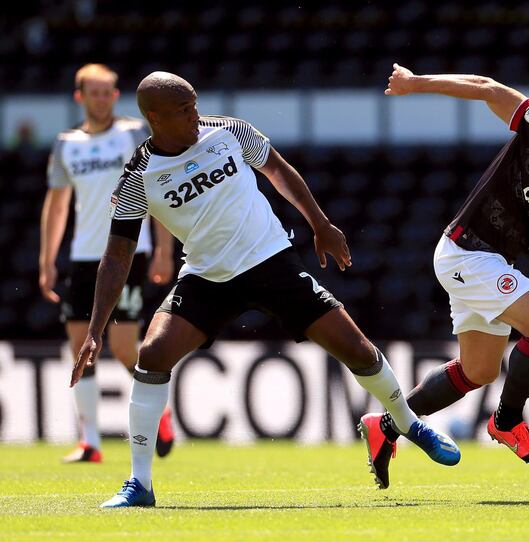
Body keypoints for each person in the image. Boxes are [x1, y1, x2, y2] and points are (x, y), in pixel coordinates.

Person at [69, 71, 460, 508]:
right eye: (183, 111)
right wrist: (95, 329)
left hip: (270, 261)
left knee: (358, 349)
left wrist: (320, 223)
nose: (194, 116)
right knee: (153, 354)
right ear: (155, 118)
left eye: (194, 104)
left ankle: (406, 422)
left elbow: (277, 169)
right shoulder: (139, 176)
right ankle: (139, 483)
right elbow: (118, 255)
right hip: (207, 277)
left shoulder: (228, 132)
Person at [359, 63, 529, 489]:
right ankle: (507, 422)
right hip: (467, 252)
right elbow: (488, 88)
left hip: (488, 260)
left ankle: (386, 426)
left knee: (479, 370)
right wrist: (416, 84)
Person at [39, 63, 176, 463]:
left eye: (108, 92)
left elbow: (158, 190)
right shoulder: (67, 144)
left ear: (116, 96)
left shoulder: (134, 133)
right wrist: (47, 260)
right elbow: (57, 203)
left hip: (130, 251)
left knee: (120, 346)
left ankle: (160, 412)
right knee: (79, 345)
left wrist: (165, 249)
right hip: (84, 256)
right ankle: (92, 441)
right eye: (93, 92)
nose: (101, 99)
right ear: (79, 97)